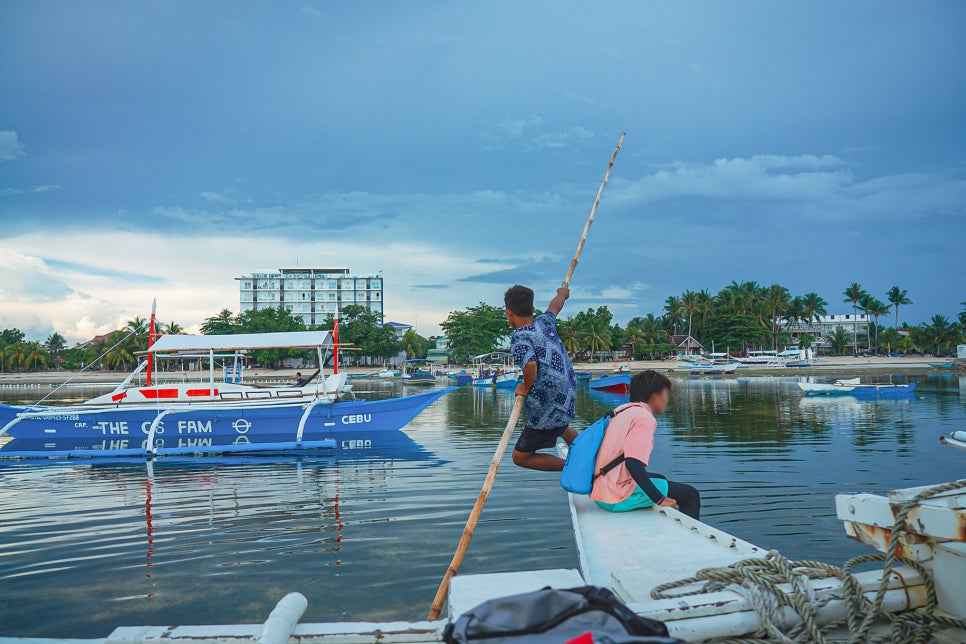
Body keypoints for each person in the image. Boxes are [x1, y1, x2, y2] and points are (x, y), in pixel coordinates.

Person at [590, 370, 701, 520]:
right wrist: (660, 499)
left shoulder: (622, 411)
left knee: (660, 478)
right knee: (690, 495)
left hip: (600, 491)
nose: (667, 401)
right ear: (656, 397)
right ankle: (690, 541)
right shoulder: (645, 418)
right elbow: (633, 463)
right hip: (615, 497)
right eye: (666, 395)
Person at [505, 284, 577, 471]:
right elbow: (556, 306)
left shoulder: (519, 338)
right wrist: (562, 294)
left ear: (509, 313)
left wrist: (525, 388)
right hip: (566, 393)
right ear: (532, 309)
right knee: (562, 429)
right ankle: (597, 457)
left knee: (520, 457)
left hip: (548, 405)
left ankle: (575, 468)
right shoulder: (544, 322)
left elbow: (530, 365)